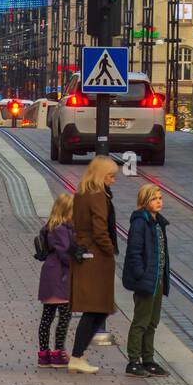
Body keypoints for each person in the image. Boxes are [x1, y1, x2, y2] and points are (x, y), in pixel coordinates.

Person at [68, 156, 119, 374]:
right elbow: (100, 228)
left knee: (98, 308)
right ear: (100, 175)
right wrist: (109, 250)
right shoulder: (98, 195)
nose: (113, 180)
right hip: (97, 256)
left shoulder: (81, 192)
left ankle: (78, 355)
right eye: (110, 176)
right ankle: (77, 356)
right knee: (95, 308)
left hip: (85, 252)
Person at [123, 185, 171, 377]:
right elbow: (134, 251)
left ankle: (148, 359)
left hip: (157, 278)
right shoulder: (140, 223)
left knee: (152, 321)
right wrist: (141, 274)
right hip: (146, 280)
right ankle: (133, 361)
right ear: (144, 201)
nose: (159, 201)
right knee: (141, 321)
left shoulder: (158, 222)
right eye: (154, 199)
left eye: (160, 198)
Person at [37, 193, 75, 368]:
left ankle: (44, 353)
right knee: (64, 316)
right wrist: (80, 255)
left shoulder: (52, 227)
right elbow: (66, 254)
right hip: (60, 278)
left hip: (51, 277)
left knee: (48, 316)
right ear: (66, 212)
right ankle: (58, 352)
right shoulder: (61, 229)